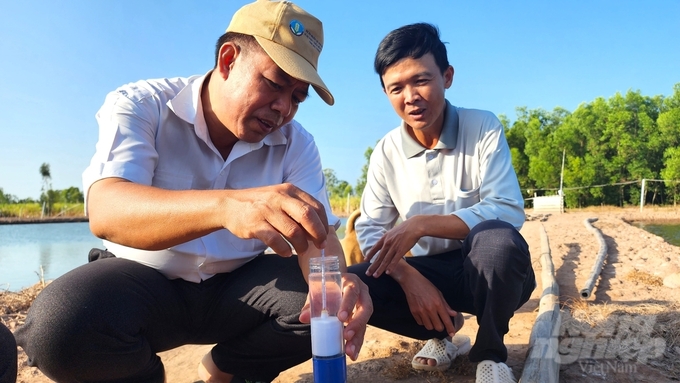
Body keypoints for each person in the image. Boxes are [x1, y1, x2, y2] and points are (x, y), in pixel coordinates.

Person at [14, 1, 372, 382]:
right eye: (274, 83)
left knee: (323, 308)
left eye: (297, 98)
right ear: (228, 59)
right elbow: (107, 209)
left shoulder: (297, 144)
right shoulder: (143, 104)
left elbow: (317, 235)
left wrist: (337, 284)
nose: (283, 107)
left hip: (238, 291)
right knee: (59, 326)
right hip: (144, 284)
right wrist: (225, 207)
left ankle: (224, 370)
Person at [347, 23, 535, 383]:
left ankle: (491, 351)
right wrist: (407, 276)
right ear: (385, 92)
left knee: (497, 241)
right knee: (356, 283)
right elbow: (370, 227)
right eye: (396, 88)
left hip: (485, 269)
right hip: (427, 271)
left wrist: (422, 224)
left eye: (421, 80)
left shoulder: (482, 127)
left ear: (447, 76)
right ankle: (443, 334)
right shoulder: (386, 151)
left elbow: (508, 208)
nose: (411, 96)